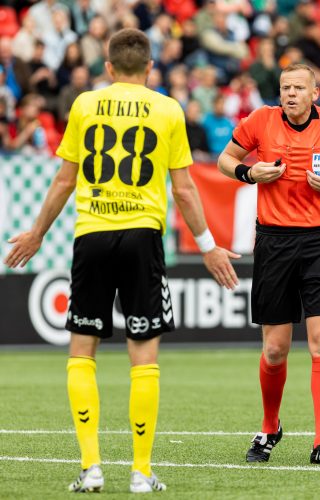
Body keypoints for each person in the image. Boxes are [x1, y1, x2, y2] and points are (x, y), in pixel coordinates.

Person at [4, 28, 239, 493]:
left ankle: (91, 468)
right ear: (150, 66)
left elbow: (64, 181)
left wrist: (37, 233)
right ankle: (141, 472)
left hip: (92, 235)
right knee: (143, 357)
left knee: (81, 350)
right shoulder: (169, 109)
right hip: (142, 237)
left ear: (108, 67)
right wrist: (208, 244)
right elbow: (185, 188)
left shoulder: (86, 104)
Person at [217, 63, 320, 465]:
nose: (291, 93)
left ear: (315, 94)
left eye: (299, 88)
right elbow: (224, 160)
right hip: (275, 242)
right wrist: (250, 173)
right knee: (275, 349)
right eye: (286, 87)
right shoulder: (260, 120)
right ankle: (270, 428)